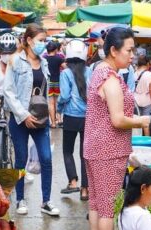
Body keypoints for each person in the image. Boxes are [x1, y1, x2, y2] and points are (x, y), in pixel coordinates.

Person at [84, 27, 150, 230]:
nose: (133, 55)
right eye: (129, 50)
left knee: (96, 203)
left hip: (94, 146)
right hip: (108, 149)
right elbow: (118, 120)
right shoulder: (110, 79)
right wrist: (141, 122)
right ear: (114, 50)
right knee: (108, 208)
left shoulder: (99, 71)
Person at [4, 24, 60, 217]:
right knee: (21, 160)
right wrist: (23, 115)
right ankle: (20, 199)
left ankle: (46, 201)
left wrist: (46, 115)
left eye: (44, 41)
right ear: (28, 40)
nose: (43, 45)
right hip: (20, 120)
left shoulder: (43, 63)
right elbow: (8, 92)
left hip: (40, 119)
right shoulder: (15, 61)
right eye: (40, 41)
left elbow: (43, 93)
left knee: (46, 158)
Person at [58, 39, 91, 201]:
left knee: (67, 151)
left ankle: (72, 182)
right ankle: (85, 190)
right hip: (88, 117)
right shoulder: (90, 71)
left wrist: (58, 109)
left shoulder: (65, 73)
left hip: (71, 117)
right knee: (84, 154)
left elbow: (64, 96)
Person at [0, 33, 18, 114]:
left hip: (13, 103)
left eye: (10, 53)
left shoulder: (19, 67)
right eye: (4, 53)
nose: (7, 55)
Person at [133, 56, 151, 136]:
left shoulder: (134, 73)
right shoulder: (149, 74)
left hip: (135, 101)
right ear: (147, 63)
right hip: (146, 101)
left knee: (137, 121)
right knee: (146, 123)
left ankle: (137, 140)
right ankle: (147, 142)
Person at [44, 41, 65, 128]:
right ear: (55, 49)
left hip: (48, 82)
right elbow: (65, 68)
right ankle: (58, 119)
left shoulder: (44, 59)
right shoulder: (59, 58)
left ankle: (53, 123)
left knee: (50, 103)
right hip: (57, 82)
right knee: (57, 102)